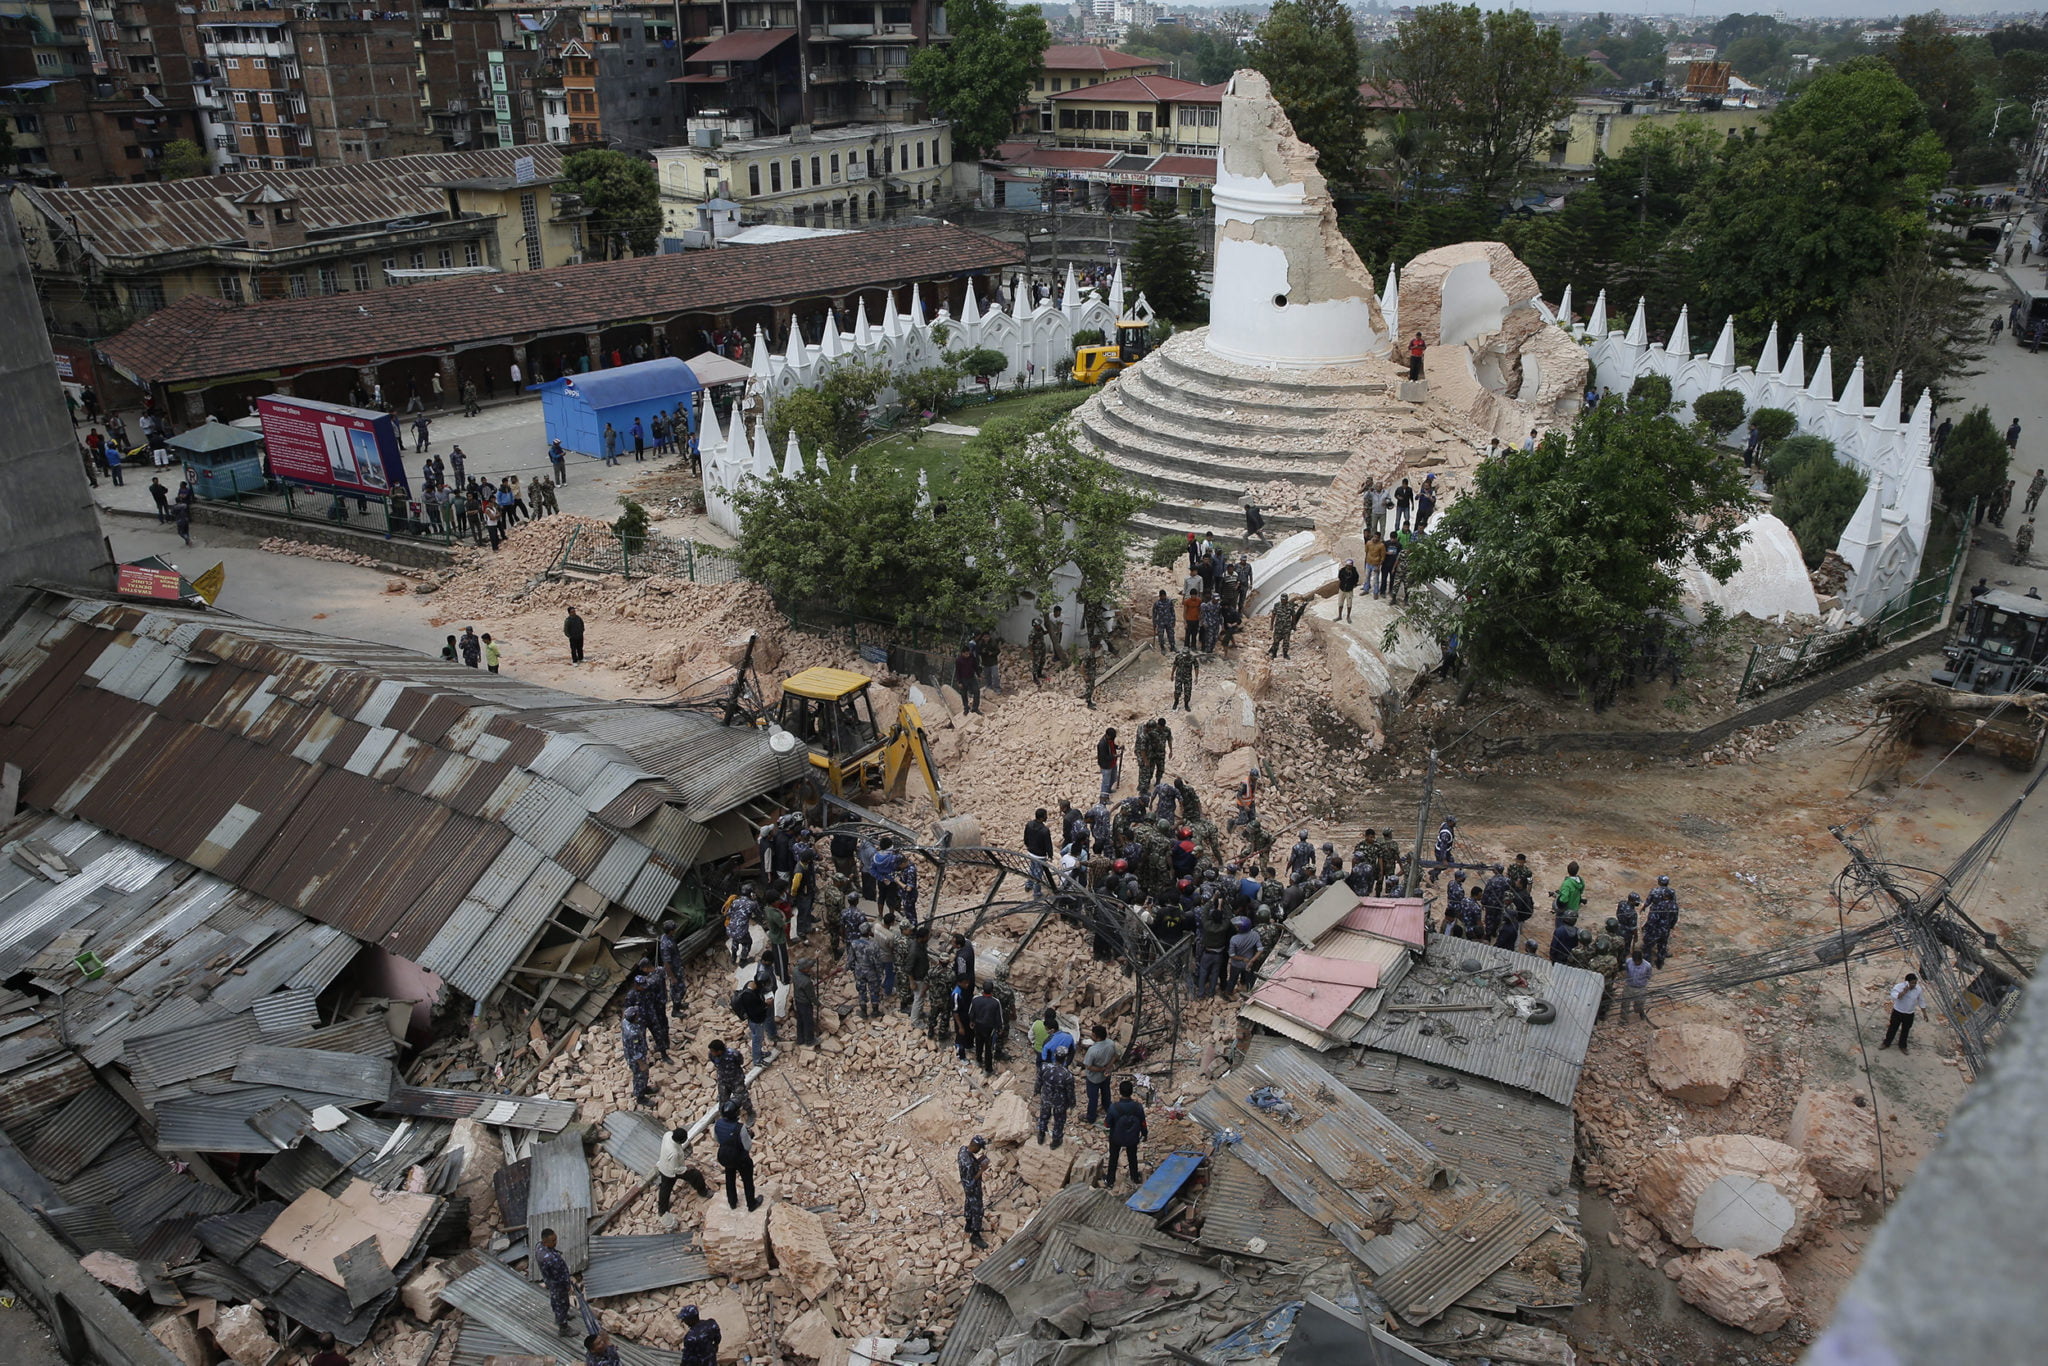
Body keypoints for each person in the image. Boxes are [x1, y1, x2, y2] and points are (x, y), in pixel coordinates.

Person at [655, 1126, 709, 1227]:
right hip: (671, 1171)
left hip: (663, 1166)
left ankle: (662, 1210)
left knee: (665, 1189)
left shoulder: (667, 1135)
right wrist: (686, 1168)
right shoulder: (674, 1152)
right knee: (695, 1175)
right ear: (680, 1141)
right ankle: (703, 1192)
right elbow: (675, 1169)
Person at [713, 1101, 761, 1211]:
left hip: (725, 1156)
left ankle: (732, 1202)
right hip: (740, 1158)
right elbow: (747, 1146)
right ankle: (751, 1204)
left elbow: (716, 1139)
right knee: (747, 1180)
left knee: (730, 1177)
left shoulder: (718, 1123)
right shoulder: (740, 1128)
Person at [1102, 1079, 1147, 1188]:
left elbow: (1107, 1125)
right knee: (1132, 1157)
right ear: (1132, 1092)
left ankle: (1110, 1180)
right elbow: (1143, 1123)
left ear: (1120, 1092)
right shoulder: (1138, 1107)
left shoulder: (1114, 1107)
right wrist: (1145, 1134)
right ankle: (1135, 1177)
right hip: (1132, 1138)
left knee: (1113, 1158)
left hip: (1116, 1138)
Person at [536, 1228, 575, 1335]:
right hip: (558, 1285)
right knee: (561, 1303)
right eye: (553, 1241)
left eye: (555, 1239)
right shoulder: (551, 1259)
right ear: (545, 1242)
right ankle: (563, 1328)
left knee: (557, 1301)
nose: (555, 1243)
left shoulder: (539, 1247)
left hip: (550, 1282)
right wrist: (567, 1285)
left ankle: (562, 1316)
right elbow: (559, 1276)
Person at [1081, 1023, 1120, 1124]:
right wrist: (1108, 1066)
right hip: (1106, 1074)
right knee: (1106, 1092)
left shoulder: (1093, 1050)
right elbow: (1116, 1055)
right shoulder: (1111, 1043)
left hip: (1094, 1078)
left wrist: (1101, 1069)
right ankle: (1107, 1108)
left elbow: (1088, 1066)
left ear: (1096, 1037)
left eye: (1092, 1034)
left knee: (1093, 1098)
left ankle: (1090, 1117)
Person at [1037, 1046, 1075, 1148]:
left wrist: (1036, 1090)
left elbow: (1039, 1081)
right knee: (1059, 1121)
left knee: (1044, 1116)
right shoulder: (1067, 1075)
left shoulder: (1044, 1067)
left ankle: (1041, 1134)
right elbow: (1070, 1092)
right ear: (1065, 1058)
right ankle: (1055, 1141)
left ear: (1055, 1055)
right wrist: (1072, 1104)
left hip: (1046, 1096)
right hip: (1060, 1101)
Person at [731, 975, 774, 1065]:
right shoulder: (749, 996)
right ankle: (757, 1060)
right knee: (757, 1040)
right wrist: (766, 1004)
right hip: (756, 1021)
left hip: (754, 1020)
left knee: (758, 1038)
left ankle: (759, 1054)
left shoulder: (749, 986)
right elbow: (756, 1010)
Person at [959, 1135, 990, 1248]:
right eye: (979, 1148)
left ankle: (968, 1225)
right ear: (975, 1146)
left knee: (968, 1203)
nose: (979, 1150)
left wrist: (978, 1161)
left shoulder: (963, 1150)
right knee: (977, 1209)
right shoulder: (968, 1164)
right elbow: (970, 1183)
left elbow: (971, 1163)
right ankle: (975, 1236)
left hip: (968, 1186)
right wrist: (982, 1170)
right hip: (972, 1188)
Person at [709, 1038, 752, 1119]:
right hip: (723, 1081)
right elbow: (715, 1063)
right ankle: (725, 1116)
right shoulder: (712, 1055)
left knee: (743, 1098)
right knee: (723, 1100)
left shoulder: (733, 1054)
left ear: (719, 1051)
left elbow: (740, 1062)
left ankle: (750, 1113)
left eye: (713, 1051)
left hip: (736, 1080)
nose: (711, 1053)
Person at [1880, 972, 1922, 1052]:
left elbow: (1921, 1000)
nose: (1914, 985)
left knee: (1905, 1030)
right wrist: (1904, 991)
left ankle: (1902, 1045)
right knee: (1893, 1028)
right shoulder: (1898, 987)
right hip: (1898, 1012)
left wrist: (1924, 1012)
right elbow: (1895, 996)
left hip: (1909, 1013)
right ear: (1907, 982)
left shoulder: (1918, 989)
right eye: (1912, 983)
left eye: (1915, 983)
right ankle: (1886, 1043)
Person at [622, 1006, 656, 1105]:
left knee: (643, 1076)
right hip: (636, 1060)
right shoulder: (633, 1033)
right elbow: (635, 1051)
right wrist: (642, 1064)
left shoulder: (625, 1022)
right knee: (640, 1076)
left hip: (633, 1054)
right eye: (637, 1014)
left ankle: (644, 1088)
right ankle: (640, 1097)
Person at [969, 981, 1004, 1074]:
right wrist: (1000, 1028)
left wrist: (972, 1021)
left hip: (978, 1026)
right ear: (992, 990)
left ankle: (979, 1060)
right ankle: (988, 1069)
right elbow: (999, 1017)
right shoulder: (996, 1002)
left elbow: (971, 1012)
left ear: (982, 989)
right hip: (989, 1029)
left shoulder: (976, 999)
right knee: (988, 1048)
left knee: (978, 1043)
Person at [1024, 808, 1053, 894]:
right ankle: (1037, 893)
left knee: (1032, 868)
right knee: (1038, 874)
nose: (1046, 817)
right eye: (1045, 816)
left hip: (1031, 852)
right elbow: (1048, 844)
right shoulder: (1045, 830)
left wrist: (1028, 845)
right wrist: (1050, 855)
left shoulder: (1029, 824)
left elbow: (1025, 838)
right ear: (1042, 817)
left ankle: (1029, 884)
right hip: (1040, 855)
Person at [1619, 950, 1652, 1021]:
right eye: (1635, 961)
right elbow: (1626, 970)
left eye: (1638, 961)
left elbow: (1648, 976)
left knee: (1640, 1004)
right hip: (1629, 986)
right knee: (1625, 1003)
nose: (1636, 963)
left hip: (1641, 988)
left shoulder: (1647, 966)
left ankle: (1640, 1011)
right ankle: (1623, 1019)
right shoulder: (1628, 962)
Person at [954, 642, 982, 714]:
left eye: (968, 653)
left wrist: (979, 675)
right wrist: (959, 682)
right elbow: (957, 671)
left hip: (972, 677)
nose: (967, 655)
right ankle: (966, 707)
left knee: (977, 691)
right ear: (962, 653)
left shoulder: (972, 657)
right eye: (966, 654)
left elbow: (975, 667)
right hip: (963, 679)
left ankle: (975, 708)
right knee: (964, 694)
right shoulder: (958, 660)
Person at [1096, 727, 1120, 799]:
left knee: (1113, 778)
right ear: (1108, 736)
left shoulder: (1110, 740)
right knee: (1106, 783)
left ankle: (1108, 791)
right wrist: (1115, 756)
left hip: (1112, 763)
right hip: (1106, 766)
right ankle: (1104, 797)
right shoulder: (1102, 744)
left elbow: (1113, 746)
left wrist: (1118, 747)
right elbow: (1104, 757)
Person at [1151, 589, 1175, 653]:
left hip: (1169, 621)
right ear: (1160, 596)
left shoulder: (1169, 602)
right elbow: (1154, 614)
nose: (1163, 597)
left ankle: (1172, 646)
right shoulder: (1157, 604)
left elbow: (1172, 612)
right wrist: (1154, 623)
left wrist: (1173, 620)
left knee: (1171, 634)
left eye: (1164, 596)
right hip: (1160, 622)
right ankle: (1162, 647)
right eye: (1162, 596)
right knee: (1160, 635)